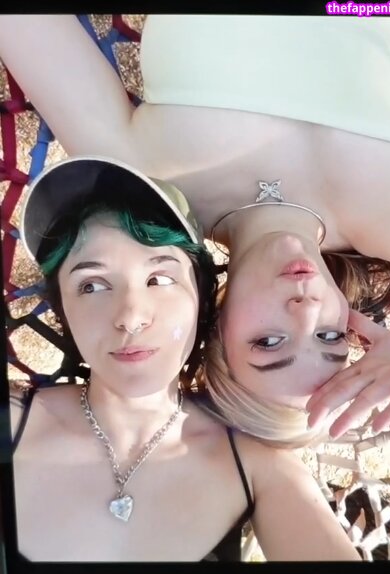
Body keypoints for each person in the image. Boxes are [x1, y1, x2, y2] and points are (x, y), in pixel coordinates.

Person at [0, 14, 390, 443]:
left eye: (269, 341)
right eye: (329, 336)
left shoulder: (141, 179)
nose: (306, 308)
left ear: (216, 327)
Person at [10, 155, 361, 562]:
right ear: (63, 313)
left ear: (202, 299)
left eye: (159, 279)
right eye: (92, 286)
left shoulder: (261, 470)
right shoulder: (11, 420)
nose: (131, 317)